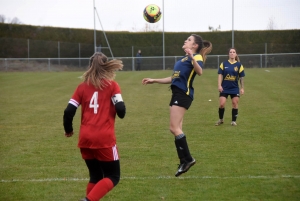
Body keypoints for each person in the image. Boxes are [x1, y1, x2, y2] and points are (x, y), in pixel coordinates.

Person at [142, 34, 212, 177]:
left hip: (183, 94)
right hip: (177, 94)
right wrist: (154, 80)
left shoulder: (196, 56)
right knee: (177, 129)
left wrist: (192, 57)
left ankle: (188, 159)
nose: (185, 40)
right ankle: (184, 161)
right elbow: (173, 78)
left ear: (195, 46)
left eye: (189, 40)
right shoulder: (182, 59)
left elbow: (200, 72)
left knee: (174, 128)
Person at [63, 52, 126, 201]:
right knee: (113, 176)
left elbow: (68, 111)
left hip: (85, 138)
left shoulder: (82, 87)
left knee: (96, 176)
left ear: (90, 66)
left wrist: (68, 129)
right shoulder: (112, 86)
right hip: (104, 139)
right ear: (106, 66)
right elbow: (121, 110)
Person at [215, 48, 245, 126]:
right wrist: (219, 85)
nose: (232, 53)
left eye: (233, 52)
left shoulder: (239, 65)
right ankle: (221, 119)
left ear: (236, 54)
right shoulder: (224, 64)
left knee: (235, 103)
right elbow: (220, 75)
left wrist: (242, 88)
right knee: (222, 104)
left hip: (234, 88)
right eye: (230, 52)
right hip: (224, 88)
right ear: (228, 54)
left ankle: (233, 121)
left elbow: (241, 77)